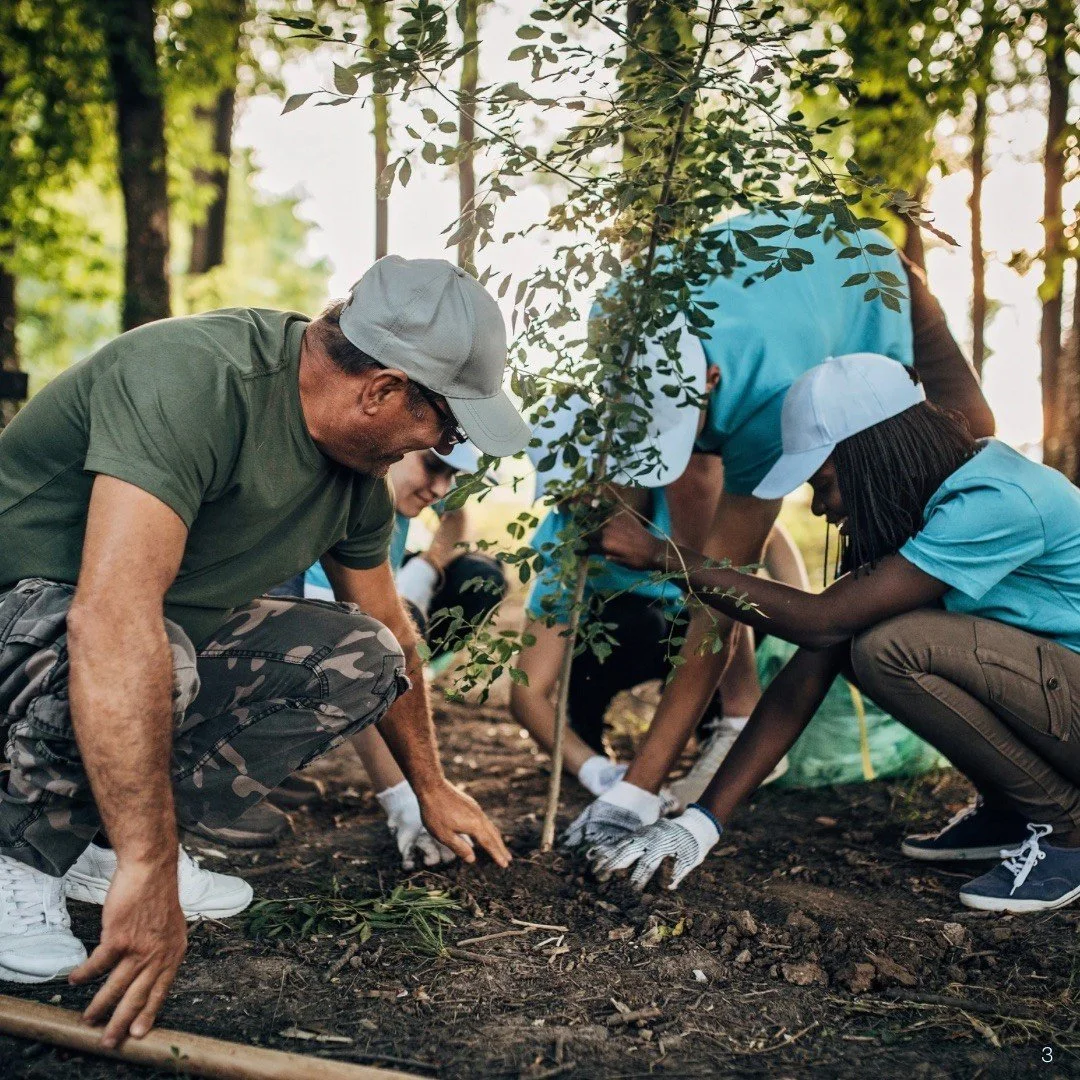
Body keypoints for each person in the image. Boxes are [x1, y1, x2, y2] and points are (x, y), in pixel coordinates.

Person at [0, 256, 529, 1046]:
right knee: (154, 650)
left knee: (364, 657)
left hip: (135, 642)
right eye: (445, 428)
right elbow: (112, 620)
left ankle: (94, 845)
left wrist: (431, 784)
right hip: (30, 616)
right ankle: (17, 855)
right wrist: (155, 867)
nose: (441, 449)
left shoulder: (356, 482)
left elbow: (393, 631)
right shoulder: (196, 379)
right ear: (382, 390)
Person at [588, 353, 1080, 915]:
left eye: (825, 484)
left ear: (874, 458)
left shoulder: (995, 501)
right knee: (866, 641)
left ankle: (1066, 829)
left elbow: (821, 620)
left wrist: (662, 555)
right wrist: (702, 824)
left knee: (891, 647)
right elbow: (812, 657)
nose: (822, 509)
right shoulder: (939, 507)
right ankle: (1009, 808)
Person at [564, 207, 995, 848]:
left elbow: (722, 595)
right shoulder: (619, 318)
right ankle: (739, 718)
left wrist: (637, 788)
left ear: (710, 379)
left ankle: (1001, 746)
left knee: (968, 436)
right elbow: (630, 472)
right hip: (776, 292)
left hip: (866, 274)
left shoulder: (773, 390)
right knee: (701, 532)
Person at [195, 442, 508, 863]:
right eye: (434, 467)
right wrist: (405, 798)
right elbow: (357, 662)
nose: (441, 488)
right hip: (209, 645)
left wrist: (429, 566)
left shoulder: (401, 477)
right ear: (396, 446)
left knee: (475, 578)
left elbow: (455, 515)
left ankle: (263, 766)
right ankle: (209, 776)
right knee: (365, 645)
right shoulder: (346, 499)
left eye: (452, 477)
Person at [511, 385, 795, 800]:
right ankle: (591, 744)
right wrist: (593, 771)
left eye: (589, 484)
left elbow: (769, 558)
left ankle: (719, 732)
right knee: (630, 620)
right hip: (618, 644)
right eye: (563, 494)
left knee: (728, 607)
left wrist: (794, 632)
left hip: (699, 639)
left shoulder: (685, 500)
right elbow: (527, 691)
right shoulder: (564, 537)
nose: (580, 504)